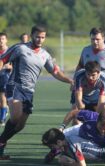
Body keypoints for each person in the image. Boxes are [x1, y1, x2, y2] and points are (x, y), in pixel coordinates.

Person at [0, 25, 73, 160]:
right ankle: (1, 143)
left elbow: (55, 71)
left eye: (43, 37)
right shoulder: (20, 48)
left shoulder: (45, 55)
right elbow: (2, 59)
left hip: (29, 91)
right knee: (15, 117)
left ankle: (1, 141)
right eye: (38, 36)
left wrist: (70, 80)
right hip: (15, 86)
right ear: (32, 35)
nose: (40, 39)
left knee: (20, 125)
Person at [0, 32, 11, 126]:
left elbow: (13, 65)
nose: (1, 41)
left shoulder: (10, 51)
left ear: (6, 40)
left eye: (3, 39)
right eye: (0, 39)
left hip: (5, 76)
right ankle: (4, 110)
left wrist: (8, 66)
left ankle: (2, 119)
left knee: (3, 97)